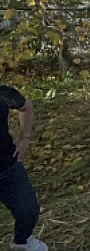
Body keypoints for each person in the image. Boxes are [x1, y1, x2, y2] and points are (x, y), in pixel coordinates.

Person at [0, 85, 47, 251]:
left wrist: (25, 138)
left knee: (29, 210)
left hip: (6, 165)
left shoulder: (3, 93)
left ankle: (22, 241)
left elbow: (26, 107)